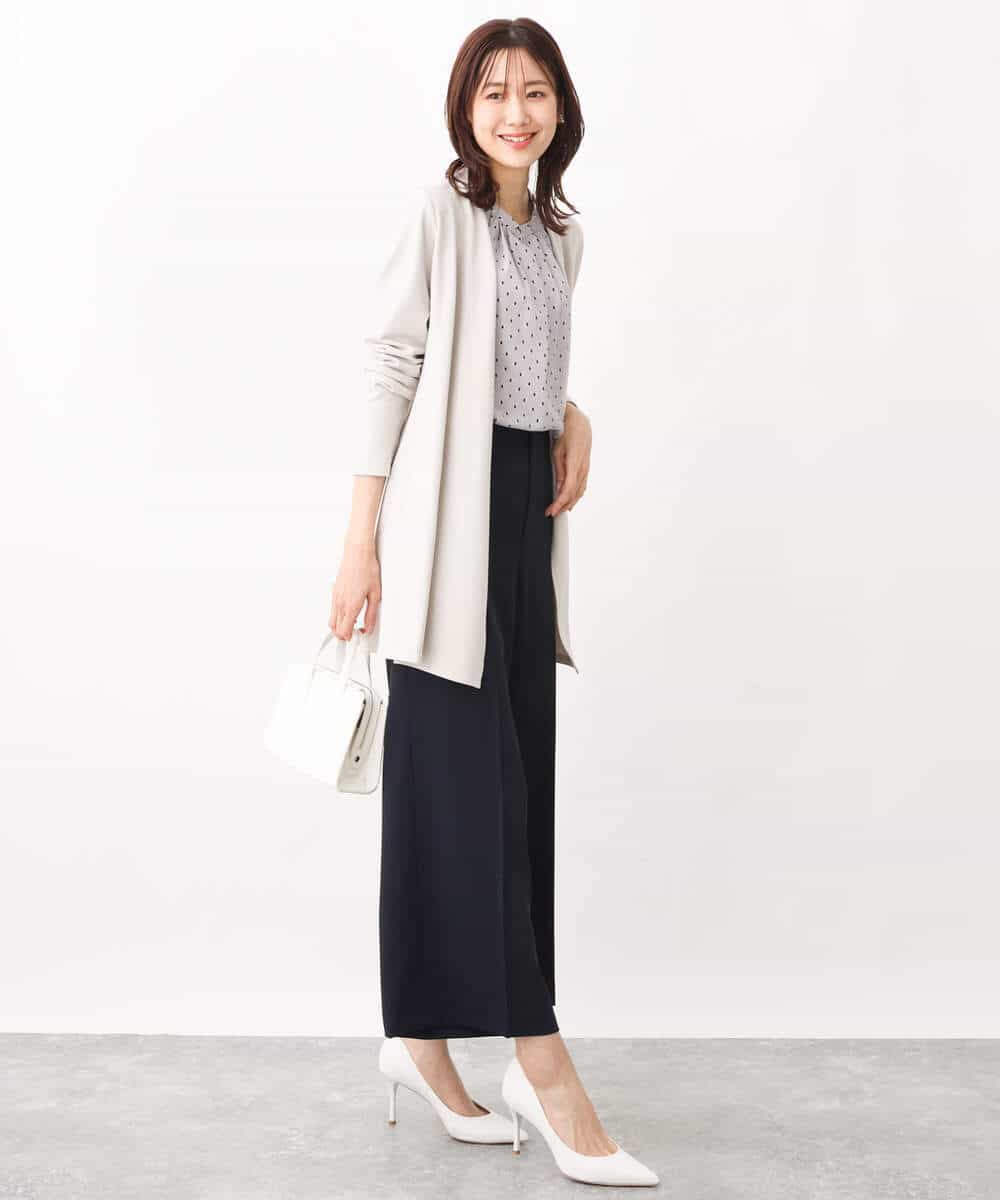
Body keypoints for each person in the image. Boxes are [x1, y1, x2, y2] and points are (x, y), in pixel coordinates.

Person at [330, 19, 658, 1188]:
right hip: (440, 534)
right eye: (493, 94)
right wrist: (358, 544)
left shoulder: (561, 236)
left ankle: (418, 1040)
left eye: (534, 92)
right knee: (472, 796)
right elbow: (393, 364)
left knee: (501, 795)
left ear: (560, 108)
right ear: (464, 110)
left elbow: (526, 374)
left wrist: (574, 415)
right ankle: (540, 1061)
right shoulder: (440, 215)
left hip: (525, 527)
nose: (515, 113)